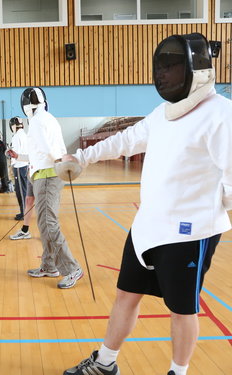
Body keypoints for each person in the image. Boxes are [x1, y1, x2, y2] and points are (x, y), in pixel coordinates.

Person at [63, 33, 232, 375]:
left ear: (195, 69)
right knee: (126, 295)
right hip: (146, 228)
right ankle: (106, 363)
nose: (163, 75)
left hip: (188, 233)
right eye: (161, 68)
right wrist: (81, 157)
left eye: (172, 67)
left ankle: (177, 372)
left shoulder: (221, 114)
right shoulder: (164, 113)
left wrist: (205, 210)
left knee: (182, 310)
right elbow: (126, 140)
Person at [8, 87, 83, 289]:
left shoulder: (39, 121)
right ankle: (49, 266)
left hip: (48, 175)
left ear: (26, 105)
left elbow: (51, 150)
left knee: (48, 223)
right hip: (40, 173)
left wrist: (62, 163)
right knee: (43, 223)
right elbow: (39, 152)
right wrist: (19, 157)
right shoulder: (44, 118)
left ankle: (72, 268)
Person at [9, 116, 28, 220]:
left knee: (21, 191)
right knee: (23, 189)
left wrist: (9, 155)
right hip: (24, 165)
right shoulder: (24, 134)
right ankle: (23, 212)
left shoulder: (16, 136)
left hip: (19, 166)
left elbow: (15, 154)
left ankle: (24, 213)